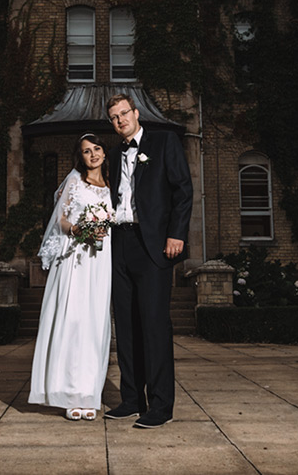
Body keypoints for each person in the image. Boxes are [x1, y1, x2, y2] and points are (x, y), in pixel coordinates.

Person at [103, 93, 193, 429]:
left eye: (124, 113)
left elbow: (183, 190)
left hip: (154, 244)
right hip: (120, 243)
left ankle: (160, 405)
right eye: (114, 117)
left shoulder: (164, 142)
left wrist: (176, 234)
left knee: (154, 326)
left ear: (136, 113)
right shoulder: (113, 153)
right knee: (125, 325)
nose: (120, 120)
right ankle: (130, 399)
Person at [29, 133, 114, 421]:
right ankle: (68, 394)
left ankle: (89, 394)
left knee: (94, 324)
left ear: (104, 152)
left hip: (101, 260)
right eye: (87, 151)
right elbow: (61, 219)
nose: (93, 155)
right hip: (76, 258)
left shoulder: (111, 187)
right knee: (73, 320)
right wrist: (78, 230)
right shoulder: (75, 183)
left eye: (97, 149)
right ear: (81, 157)